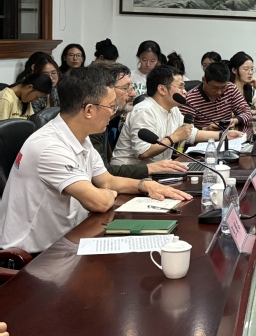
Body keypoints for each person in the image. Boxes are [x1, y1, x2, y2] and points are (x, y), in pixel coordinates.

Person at [0, 66, 192, 254]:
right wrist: (109, 193)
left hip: (69, 237)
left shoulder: (80, 137)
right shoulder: (50, 147)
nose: (113, 112)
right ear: (89, 110)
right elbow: (98, 202)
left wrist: (145, 185)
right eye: (111, 106)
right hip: (34, 255)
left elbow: (107, 181)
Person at [113, 65, 242, 167]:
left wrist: (223, 135)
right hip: (128, 174)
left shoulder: (173, 109)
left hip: (158, 170)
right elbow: (143, 152)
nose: (185, 92)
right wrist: (175, 137)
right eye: (180, 87)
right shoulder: (144, 110)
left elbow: (191, 133)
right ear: (162, 89)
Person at [91, 61, 188, 178]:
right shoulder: (91, 126)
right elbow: (100, 175)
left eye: (132, 87)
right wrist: (149, 171)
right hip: (123, 177)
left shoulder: (104, 121)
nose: (134, 93)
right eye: (126, 88)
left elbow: (102, 173)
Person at [179, 61, 252, 133]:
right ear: (204, 80)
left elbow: (247, 112)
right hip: (203, 138)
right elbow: (184, 129)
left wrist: (234, 121)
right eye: (214, 88)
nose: (219, 92)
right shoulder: (190, 99)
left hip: (227, 136)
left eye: (223, 88)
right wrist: (205, 129)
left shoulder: (230, 89)